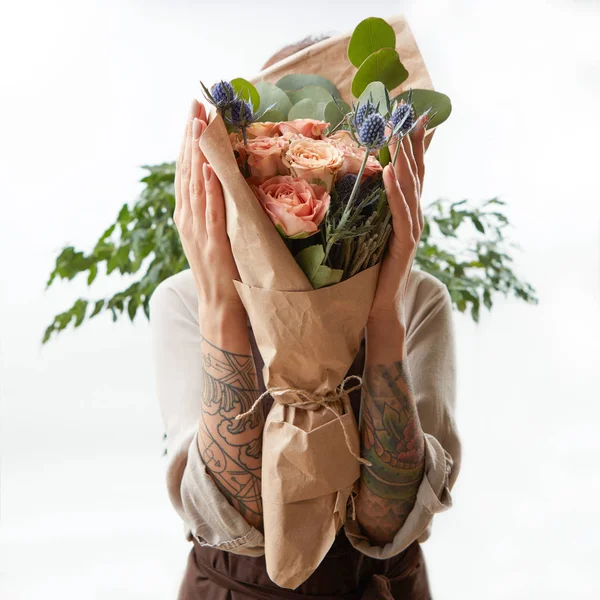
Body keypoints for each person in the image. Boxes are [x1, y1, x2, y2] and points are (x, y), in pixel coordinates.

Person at [151, 35, 461, 600]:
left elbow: (387, 523)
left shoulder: (419, 301)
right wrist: (220, 299)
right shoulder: (185, 299)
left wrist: (384, 310)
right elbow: (237, 521)